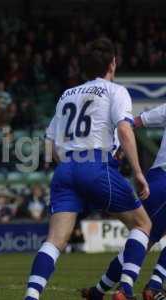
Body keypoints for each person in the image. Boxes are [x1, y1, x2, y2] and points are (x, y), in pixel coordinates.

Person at [24, 38, 152, 300]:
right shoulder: (116, 91)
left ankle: (31, 296)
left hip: (66, 167)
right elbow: (125, 130)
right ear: (112, 64)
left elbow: (49, 144)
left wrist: (70, 168)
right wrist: (138, 172)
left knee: (55, 241)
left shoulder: (66, 95)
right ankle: (125, 289)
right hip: (96, 165)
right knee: (142, 224)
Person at [82, 104, 166, 300]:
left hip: (160, 178)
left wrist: (120, 147)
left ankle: (103, 291)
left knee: (142, 237)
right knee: (145, 238)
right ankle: (148, 287)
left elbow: (137, 121)